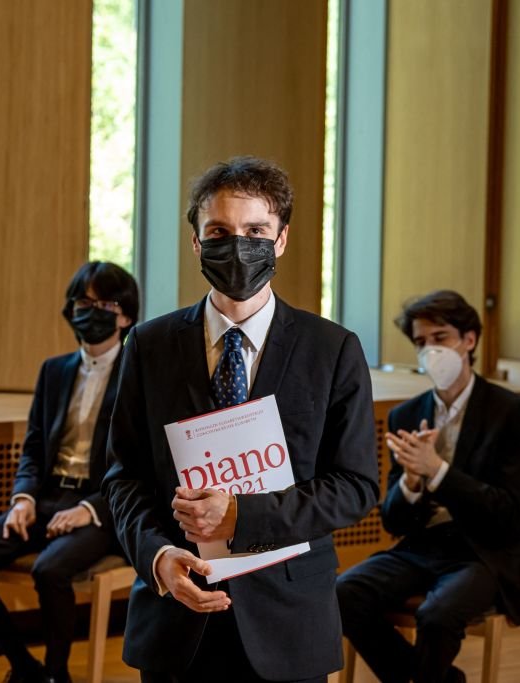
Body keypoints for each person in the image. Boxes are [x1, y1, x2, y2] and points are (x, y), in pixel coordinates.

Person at [101, 156, 379, 682]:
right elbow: (123, 477)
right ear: (196, 243)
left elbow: (356, 486)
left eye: (255, 230)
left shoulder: (332, 349)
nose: (238, 245)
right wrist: (157, 557)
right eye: (220, 232)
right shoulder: (149, 345)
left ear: (281, 241)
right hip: (176, 614)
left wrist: (241, 518)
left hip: (289, 618)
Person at [336, 290, 520, 683]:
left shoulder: (513, 412)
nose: (430, 350)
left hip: (485, 552)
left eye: (440, 338)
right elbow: (394, 522)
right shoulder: (406, 414)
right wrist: (412, 484)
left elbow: (507, 512)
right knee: (342, 594)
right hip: (422, 547)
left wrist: (437, 471)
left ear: (469, 340)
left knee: (437, 616)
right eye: (420, 342)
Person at [0, 261, 138, 683]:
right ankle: (26, 667)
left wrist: (89, 510)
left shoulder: (137, 373)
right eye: (83, 301)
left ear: (125, 315)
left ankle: (58, 675)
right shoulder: (54, 370)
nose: (92, 310)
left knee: (49, 570)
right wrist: (23, 498)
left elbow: (140, 464)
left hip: (104, 509)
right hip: (48, 498)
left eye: (105, 303)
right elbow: (34, 447)